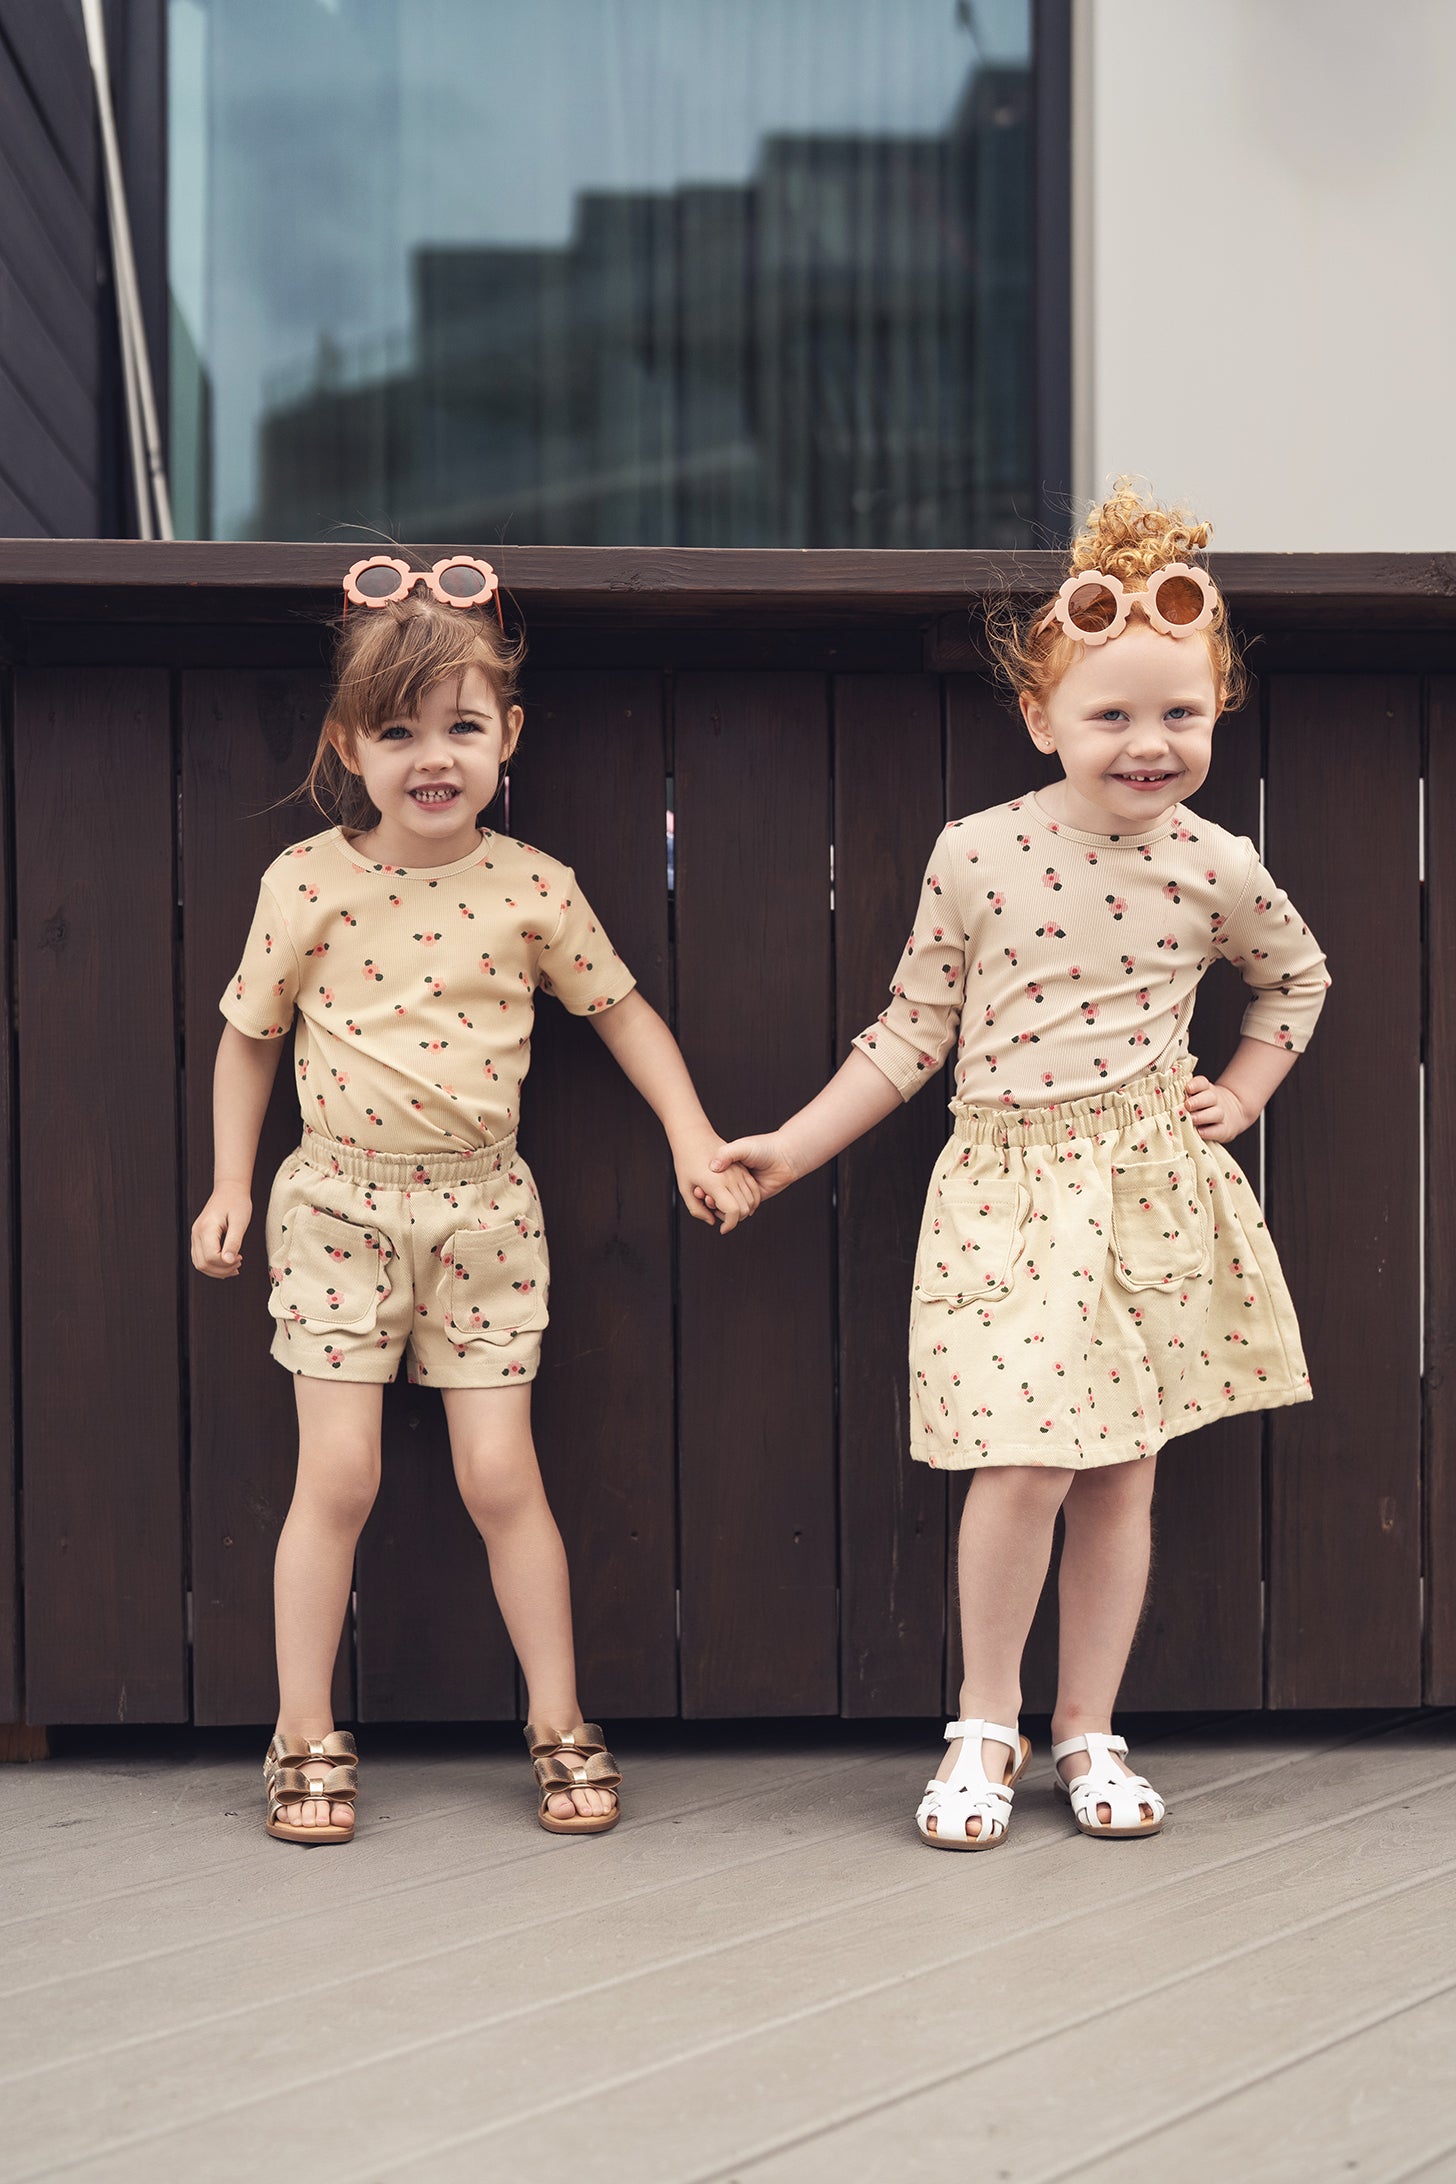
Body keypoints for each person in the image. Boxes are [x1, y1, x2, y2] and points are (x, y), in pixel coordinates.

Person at [713, 486, 1328, 1848]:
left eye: (1182, 714)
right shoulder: (978, 854)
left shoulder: (1217, 865)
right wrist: (784, 1152)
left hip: (1150, 1190)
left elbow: (1296, 980)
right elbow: (910, 1034)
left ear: (1216, 713)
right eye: (1111, 715)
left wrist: (1242, 1090)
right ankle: (984, 1719)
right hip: (1007, 1192)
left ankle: (1087, 1726)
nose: (1149, 743)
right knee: (1022, 1461)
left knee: (1122, 1471)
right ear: (1043, 719)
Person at [190, 555, 756, 1847]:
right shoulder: (307, 882)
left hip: (484, 1213)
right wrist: (229, 1185)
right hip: (334, 1204)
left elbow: (620, 1012)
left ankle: (558, 1719)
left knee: (503, 1475)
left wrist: (691, 1136)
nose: (431, 757)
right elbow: (248, 1038)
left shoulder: (536, 889)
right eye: (397, 732)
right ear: (350, 745)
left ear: (510, 733)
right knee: (335, 1476)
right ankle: (302, 1730)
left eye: (461, 726)